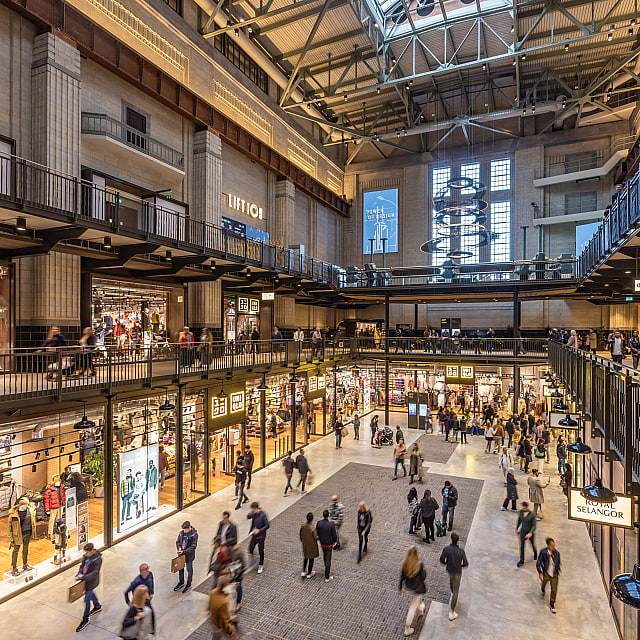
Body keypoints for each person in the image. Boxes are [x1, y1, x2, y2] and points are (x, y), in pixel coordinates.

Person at [439, 532, 469, 621]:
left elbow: (441, 560)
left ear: (451, 539)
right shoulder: (461, 551)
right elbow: (466, 563)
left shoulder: (446, 549)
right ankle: (452, 612)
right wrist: (460, 566)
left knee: (452, 583)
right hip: (457, 572)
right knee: (456, 590)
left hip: (450, 570)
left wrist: (447, 563)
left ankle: (453, 597)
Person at [398, 545, 427, 636]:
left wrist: (400, 587)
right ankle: (407, 628)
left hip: (410, 586)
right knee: (413, 607)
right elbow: (423, 576)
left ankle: (421, 607)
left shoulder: (404, 563)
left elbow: (402, 577)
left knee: (416, 600)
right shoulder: (419, 564)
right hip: (418, 587)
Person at [74, 542, 103, 632]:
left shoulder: (97, 559)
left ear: (92, 550)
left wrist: (84, 577)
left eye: (87, 552)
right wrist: (79, 573)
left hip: (91, 581)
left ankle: (85, 620)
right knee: (90, 594)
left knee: (86, 601)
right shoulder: (86, 556)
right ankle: (97, 606)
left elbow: (95, 572)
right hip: (85, 580)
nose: (86, 554)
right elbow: (82, 565)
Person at [537, 537, 561, 614]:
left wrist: (557, 570)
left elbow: (558, 562)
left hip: (554, 574)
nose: (554, 547)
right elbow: (539, 562)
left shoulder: (557, 553)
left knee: (554, 589)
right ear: (548, 546)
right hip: (546, 573)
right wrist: (540, 572)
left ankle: (552, 604)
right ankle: (543, 589)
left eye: (554, 545)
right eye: (552, 545)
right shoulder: (543, 552)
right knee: (544, 583)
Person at [209, 573, 236, 639]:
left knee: (215, 637)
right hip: (220, 625)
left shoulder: (213, 592)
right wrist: (230, 631)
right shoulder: (223, 602)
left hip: (214, 621)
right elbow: (224, 620)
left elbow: (209, 607)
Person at [174, 521, 198, 593]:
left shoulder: (194, 535)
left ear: (189, 527)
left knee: (189, 569)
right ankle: (181, 582)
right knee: (180, 569)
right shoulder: (181, 533)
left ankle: (189, 583)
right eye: (184, 529)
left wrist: (184, 552)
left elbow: (193, 547)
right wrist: (179, 548)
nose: (185, 531)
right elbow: (178, 542)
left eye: (186, 529)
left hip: (189, 556)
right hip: (181, 554)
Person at [247, 502, 269, 573]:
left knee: (260, 550)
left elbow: (267, 525)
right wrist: (249, 514)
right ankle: (252, 559)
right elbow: (248, 517)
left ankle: (261, 564)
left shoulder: (263, 515)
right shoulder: (254, 514)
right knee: (250, 548)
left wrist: (259, 530)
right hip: (254, 534)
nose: (253, 511)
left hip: (261, 536)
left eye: (253, 509)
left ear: (256, 508)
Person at [316, 509, 338, 581]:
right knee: (328, 559)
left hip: (322, 543)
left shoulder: (319, 523)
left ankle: (326, 568)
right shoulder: (331, 524)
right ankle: (327, 576)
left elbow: (317, 532)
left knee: (325, 557)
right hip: (329, 544)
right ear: (328, 516)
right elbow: (334, 535)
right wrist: (334, 541)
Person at [516, 501, 537, 567]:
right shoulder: (521, 512)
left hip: (529, 532)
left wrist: (531, 532)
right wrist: (517, 528)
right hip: (523, 531)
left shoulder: (532, 515)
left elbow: (534, 525)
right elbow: (519, 520)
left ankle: (535, 553)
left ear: (527, 507)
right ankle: (521, 560)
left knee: (532, 544)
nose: (524, 509)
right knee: (522, 546)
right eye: (523, 508)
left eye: (525, 508)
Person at [300, 512, 319, 578]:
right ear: (312, 519)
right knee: (311, 559)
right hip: (312, 546)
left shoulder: (303, 526)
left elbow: (300, 535)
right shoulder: (312, 528)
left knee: (305, 557)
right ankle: (309, 573)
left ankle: (303, 571)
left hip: (305, 544)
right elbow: (316, 537)